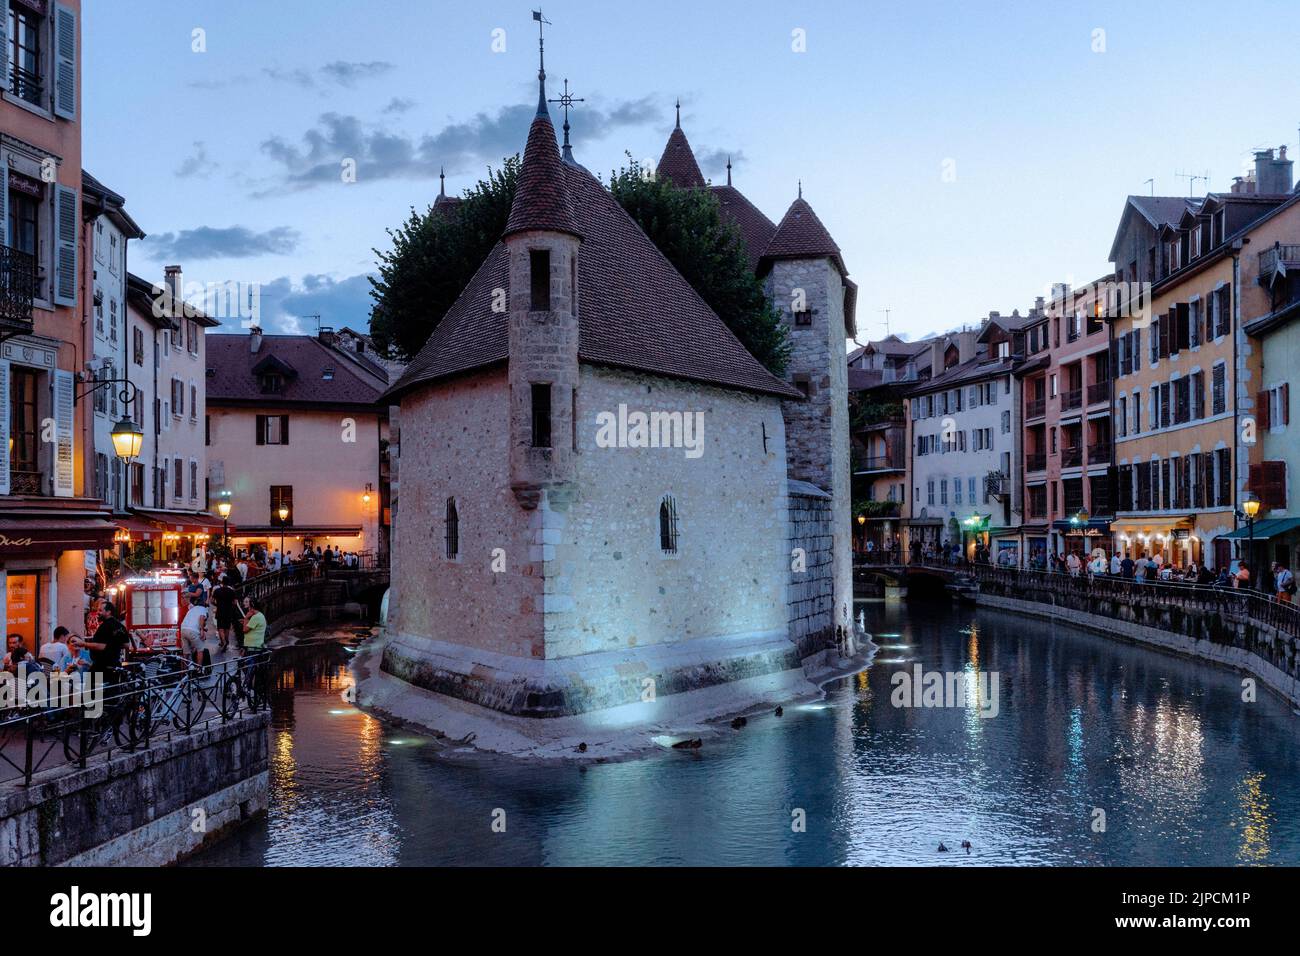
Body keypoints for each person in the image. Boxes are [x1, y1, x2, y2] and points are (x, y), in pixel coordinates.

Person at [73, 600, 132, 673]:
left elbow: (101, 646)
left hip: (100, 667)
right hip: (115, 666)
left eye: (100, 610)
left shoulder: (104, 626)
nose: (98, 612)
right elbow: (126, 644)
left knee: (90, 684)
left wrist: (83, 644)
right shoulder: (121, 626)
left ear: (108, 612)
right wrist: (113, 646)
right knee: (113, 684)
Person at [211, 574, 240, 653]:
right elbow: (235, 602)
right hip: (228, 611)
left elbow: (212, 601)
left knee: (220, 627)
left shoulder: (217, 591)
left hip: (220, 610)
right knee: (227, 627)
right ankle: (226, 640)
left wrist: (217, 604)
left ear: (222, 582)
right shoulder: (231, 591)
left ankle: (223, 641)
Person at [180, 593, 208, 662]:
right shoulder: (203, 609)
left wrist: (202, 628)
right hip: (192, 631)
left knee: (185, 652)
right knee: (200, 649)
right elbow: (201, 617)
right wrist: (202, 630)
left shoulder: (192, 609)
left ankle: (184, 671)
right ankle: (199, 669)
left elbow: (192, 621)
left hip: (183, 629)